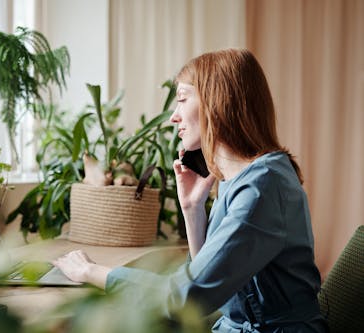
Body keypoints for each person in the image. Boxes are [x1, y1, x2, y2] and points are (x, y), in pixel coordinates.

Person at [53, 49, 327, 332]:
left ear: (217, 103)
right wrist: (193, 211)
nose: (174, 117)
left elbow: (189, 296)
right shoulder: (242, 179)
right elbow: (211, 280)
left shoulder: (260, 187)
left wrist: (91, 271)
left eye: (182, 99)